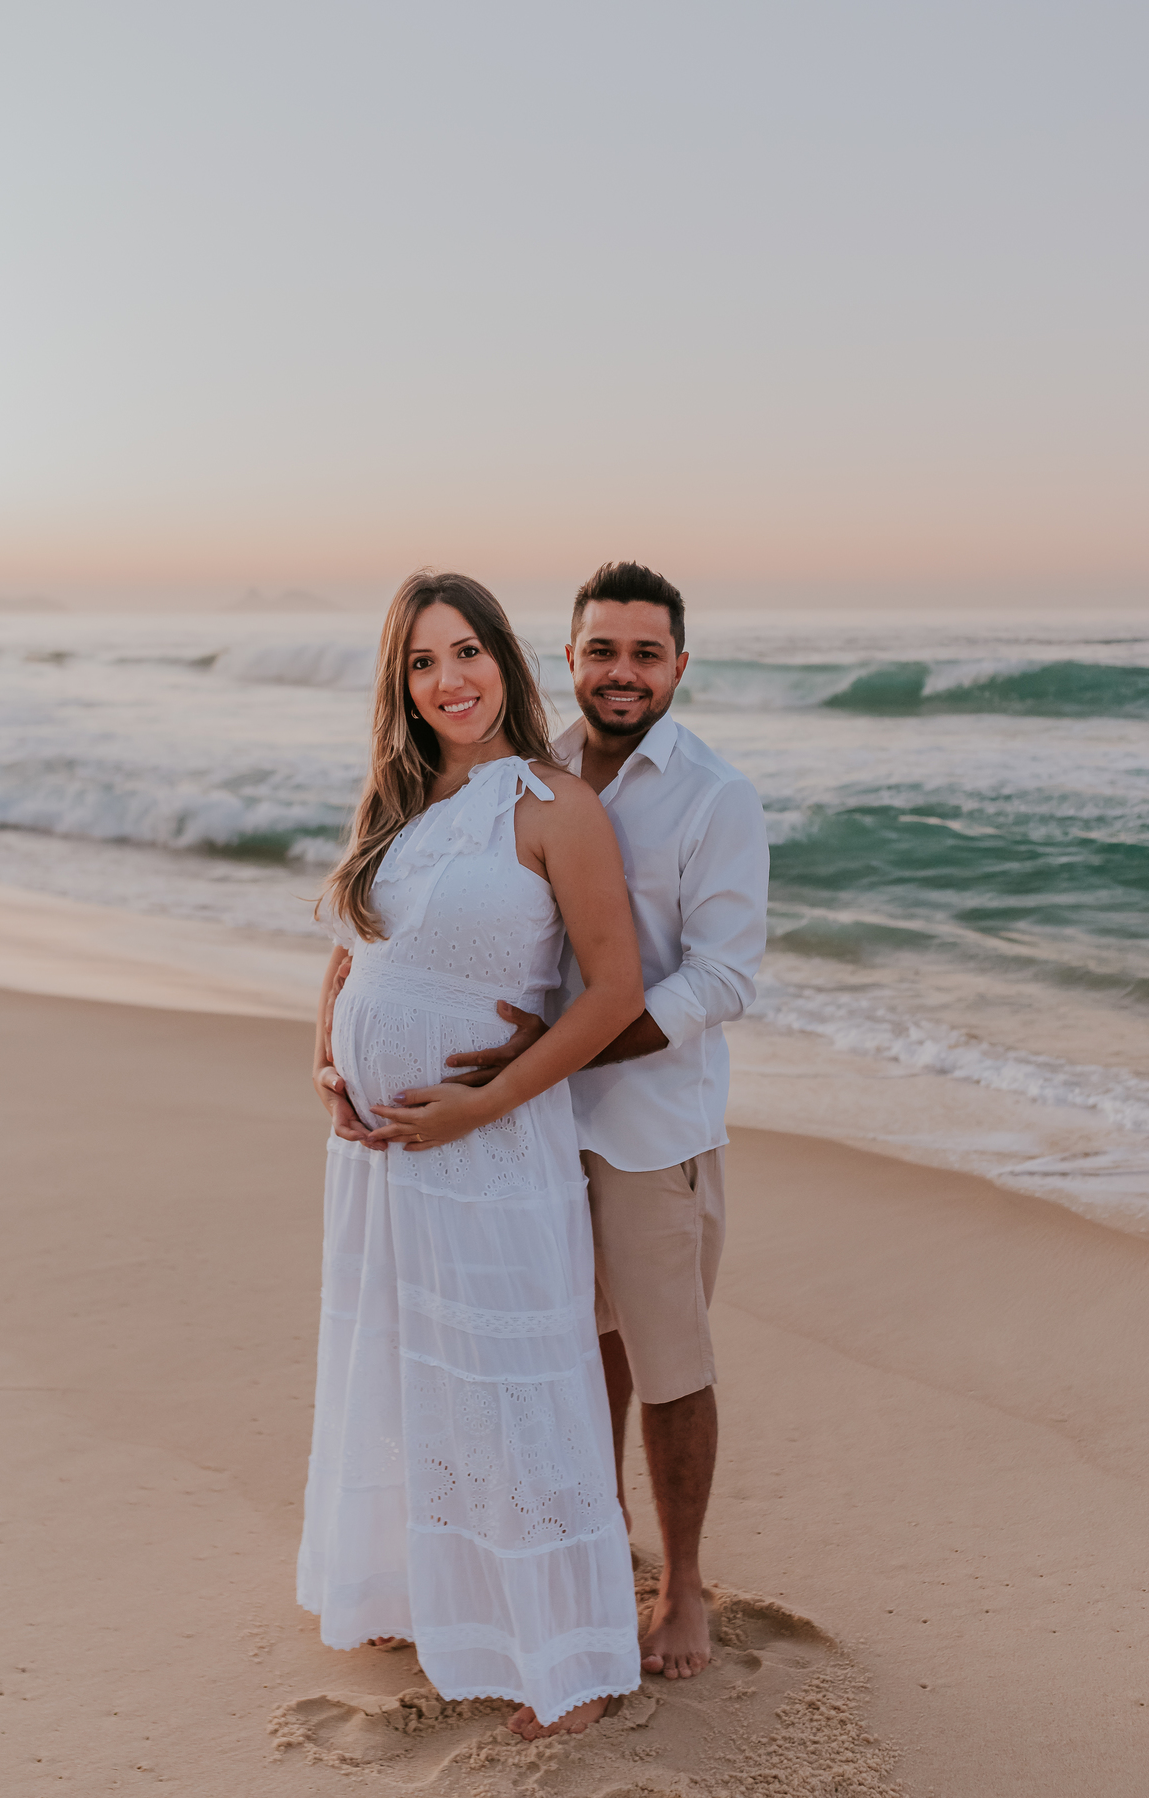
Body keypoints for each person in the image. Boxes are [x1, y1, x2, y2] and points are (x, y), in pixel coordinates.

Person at [302, 570, 646, 1740]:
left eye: (466, 653)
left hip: (490, 1149)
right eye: (421, 662)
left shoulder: (553, 807)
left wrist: (485, 1100)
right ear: (400, 686)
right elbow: (351, 959)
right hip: (382, 1154)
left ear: (506, 657)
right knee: (407, 1363)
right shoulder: (395, 807)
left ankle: (574, 1660)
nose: (448, 680)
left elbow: (612, 992)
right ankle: (420, 1590)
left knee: (516, 1389)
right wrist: (327, 1065)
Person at [442, 561, 769, 1682]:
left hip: (649, 1128)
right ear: (569, 656)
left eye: (644, 653)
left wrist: (553, 1049)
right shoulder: (527, 776)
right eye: (601, 650)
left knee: (666, 1360)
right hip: (531, 1127)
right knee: (576, 1351)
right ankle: (598, 1545)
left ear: (680, 664)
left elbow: (723, 977)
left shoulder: (715, 797)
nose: (621, 672)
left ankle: (683, 1587)